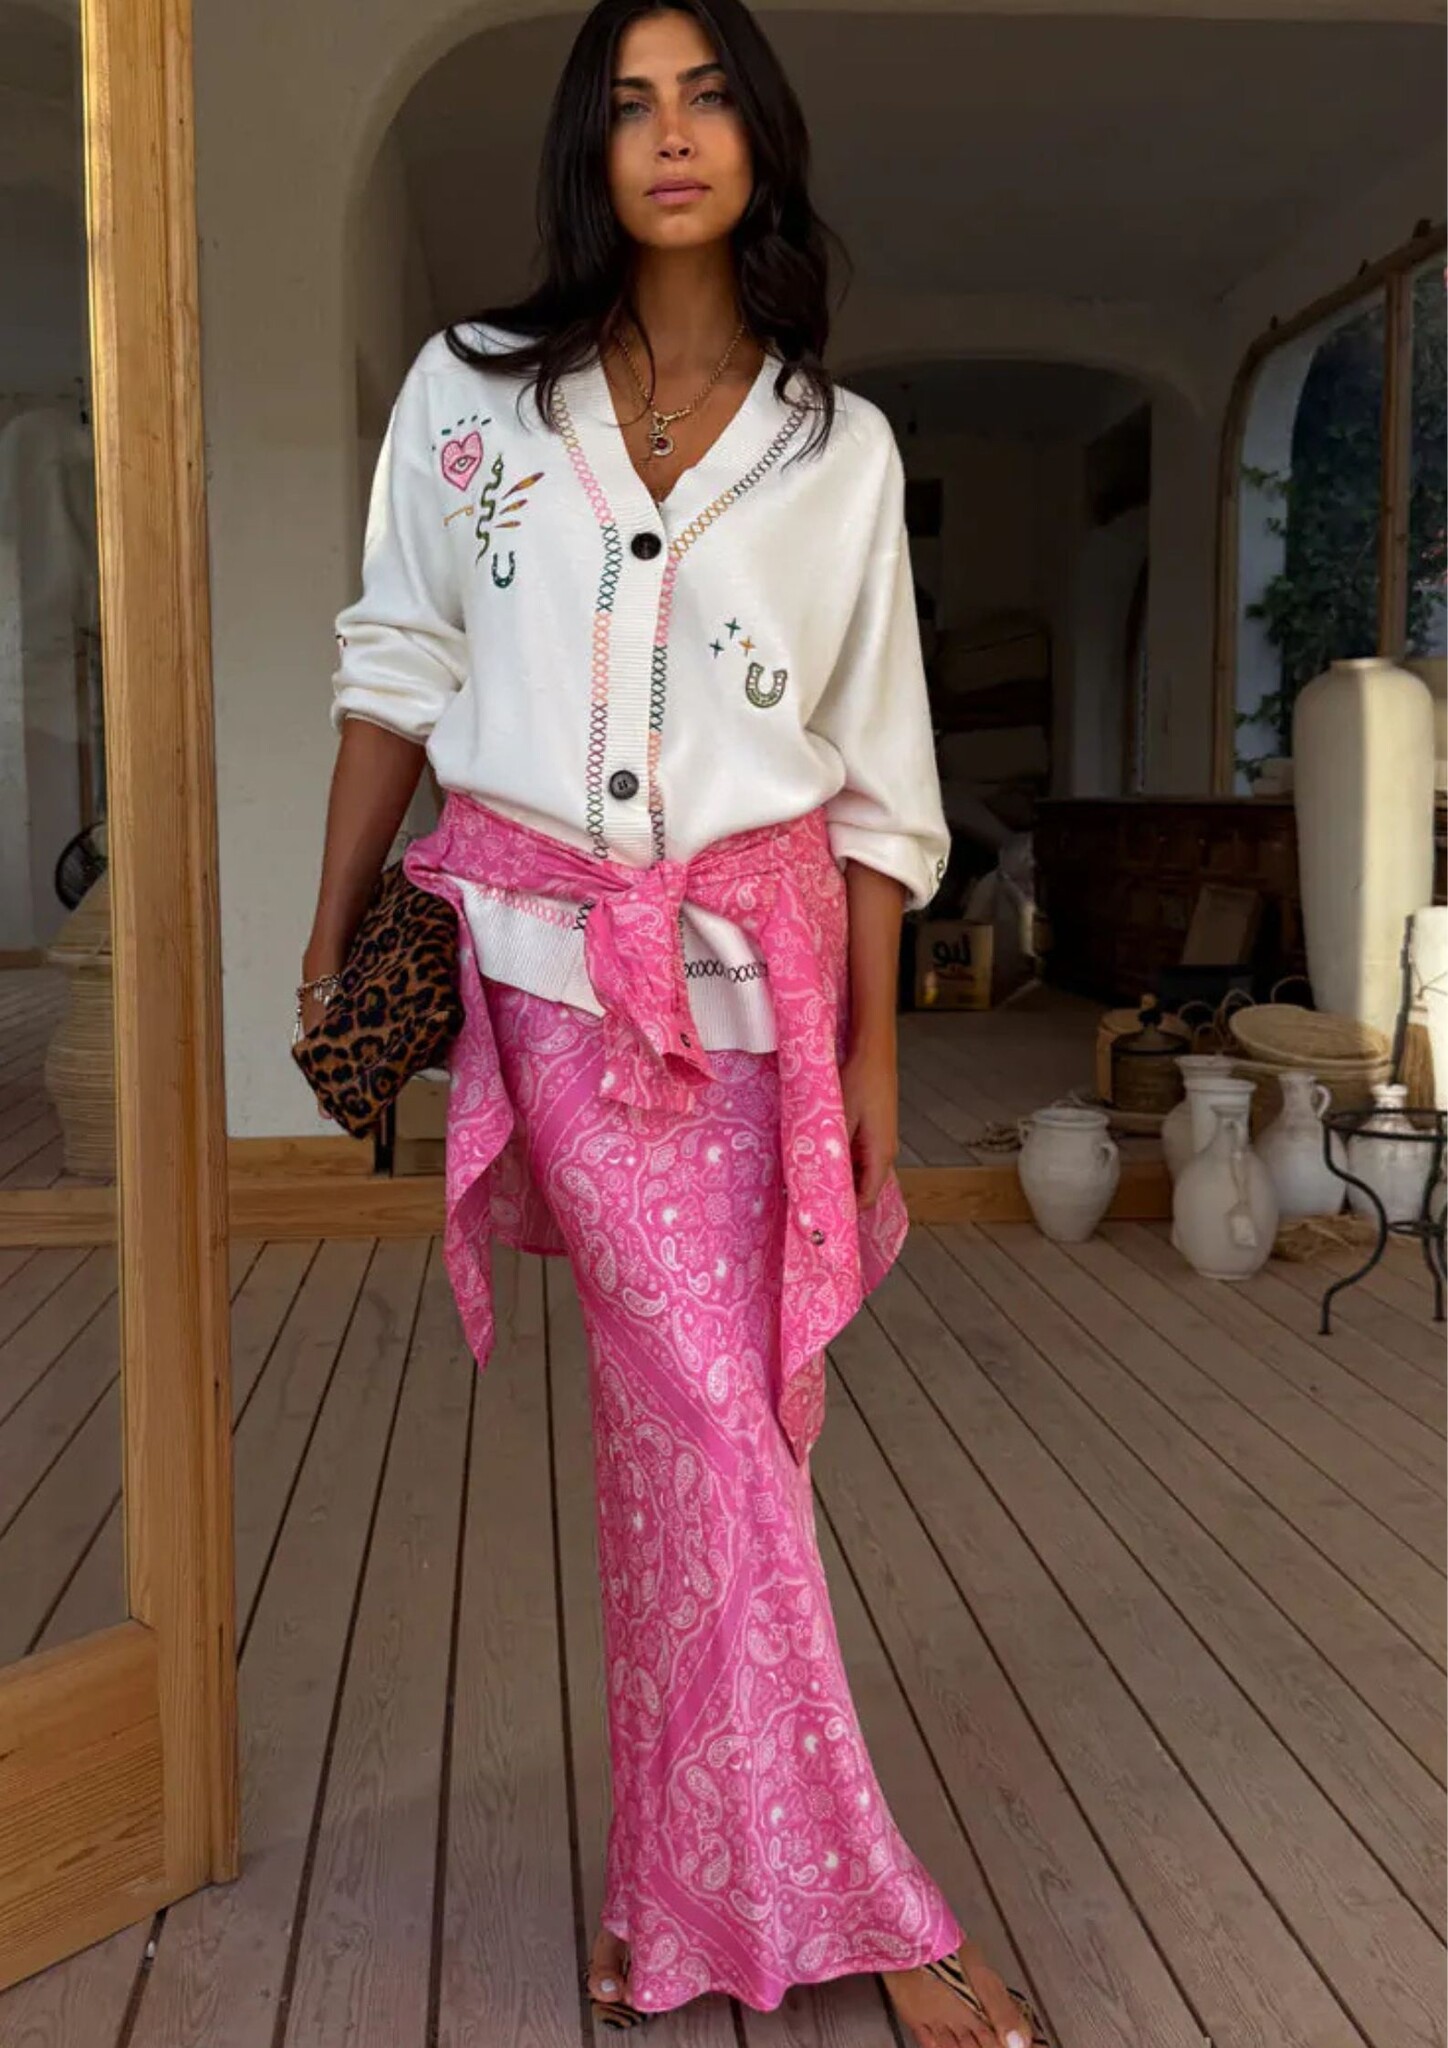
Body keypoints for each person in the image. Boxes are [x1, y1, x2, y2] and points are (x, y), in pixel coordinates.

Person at [299, 4, 1048, 2044]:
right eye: (630, 105)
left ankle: (674, 1885)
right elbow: (396, 657)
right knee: (721, 1426)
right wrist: (330, 924)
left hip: (763, 992)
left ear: (761, 136)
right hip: (559, 982)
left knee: (685, 1438)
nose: (672, 134)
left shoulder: (837, 450)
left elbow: (876, 785)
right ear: (589, 150)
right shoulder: (472, 393)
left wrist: (874, 1059)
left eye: (707, 94)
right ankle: (865, 1899)